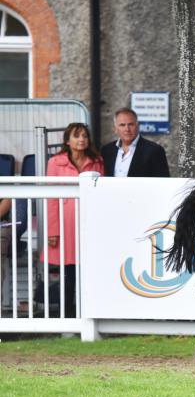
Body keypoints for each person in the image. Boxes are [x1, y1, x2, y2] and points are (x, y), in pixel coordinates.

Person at [42, 123, 105, 317]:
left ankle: (87, 315)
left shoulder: (97, 161)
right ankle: (67, 317)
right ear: (67, 141)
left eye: (85, 136)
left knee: (88, 271)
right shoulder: (55, 162)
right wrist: (52, 230)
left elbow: (102, 193)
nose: (81, 140)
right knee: (68, 272)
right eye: (76, 136)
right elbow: (50, 197)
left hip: (89, 221)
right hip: (65, 223)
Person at [101, 107, 170, 177]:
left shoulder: (154, 151)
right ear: (115, 129)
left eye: (131, 124)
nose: (127, 129)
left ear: (137, 126)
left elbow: (163, 182)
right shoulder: (106, 150)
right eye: (122, 125)